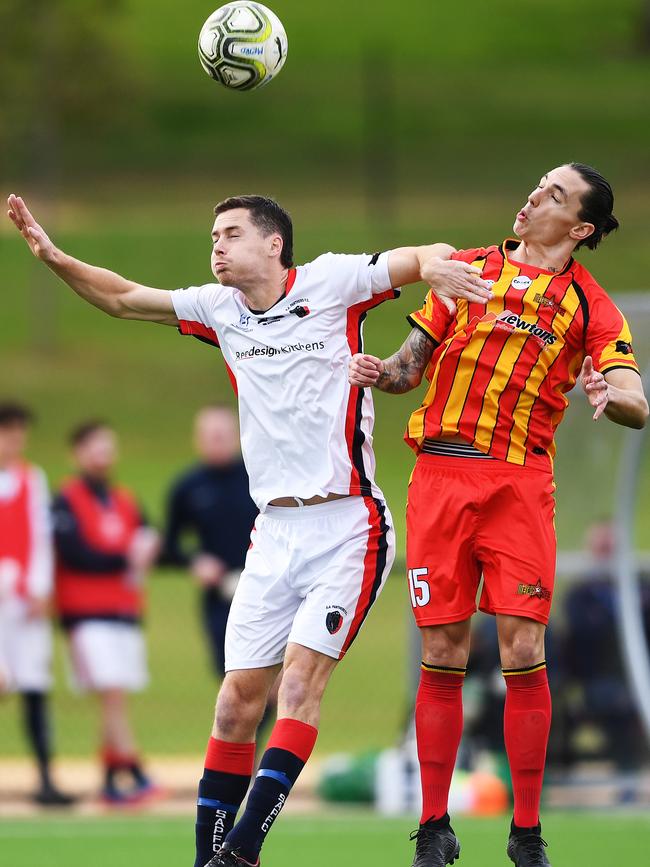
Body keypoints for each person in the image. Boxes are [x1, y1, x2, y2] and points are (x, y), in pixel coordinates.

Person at [6, 191, 490, 866]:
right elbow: (122, 297)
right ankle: (209, 859)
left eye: (230, 233)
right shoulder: (218, 308)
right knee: (236, 703)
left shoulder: (332, 282)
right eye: (212, 235)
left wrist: (439, 267)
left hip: (347, 524)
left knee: (298, 684)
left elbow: (425, 255)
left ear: (273, 244)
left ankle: (242, 850)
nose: (217, 246)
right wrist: (54, 256)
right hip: (274, 533)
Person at [348, 163, 649, 867]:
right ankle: (432, 828)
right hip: (442, 476)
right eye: (536, 185)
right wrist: (374, 371)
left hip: (519, 485)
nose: (531, 196)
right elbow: (407, 367)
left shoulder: (590, 305)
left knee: (522, 648)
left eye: (552, 194)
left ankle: (526, 832)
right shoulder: (467, 270)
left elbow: (637, 397)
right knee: (444, 648)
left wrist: (614, 395)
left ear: (579, 227)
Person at [52, 420, 162, 804]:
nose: (102, 455)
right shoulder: (66, 500)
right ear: (78, 453)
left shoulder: (125, 499)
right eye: (94, 447)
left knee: (115, 695)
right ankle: (134, 769)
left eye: (107, 447)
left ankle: (110, 779)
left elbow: (148, 540)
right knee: (111, 691)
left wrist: (148, 550)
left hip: (124, 609)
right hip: (85, 611)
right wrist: (124, 557)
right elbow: (75, 553)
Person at [0, 402, 75, 806]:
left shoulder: (32, 479)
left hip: (23, 599)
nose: (14, 441)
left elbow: (39, 538)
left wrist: (41, 588)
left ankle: (45, 777)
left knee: (33, 684)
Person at [161, 404, 257, 677]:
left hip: (266, 590)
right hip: (220, 597)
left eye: (223, 434)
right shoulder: (188, 487)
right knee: (232, 677)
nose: (217, 441)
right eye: (210, 435)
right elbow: (170, 543)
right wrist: (194, 561)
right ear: (198, 439)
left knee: (276, 679)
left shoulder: (258, 478)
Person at [563, 520, 650, 768]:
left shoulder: (642, 588)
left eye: (611, 548)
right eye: (602, 548)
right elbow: (582, 638)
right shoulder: (580, 595)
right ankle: (628, 772)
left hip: (641, 675)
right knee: (618, 703)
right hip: (598, 681)